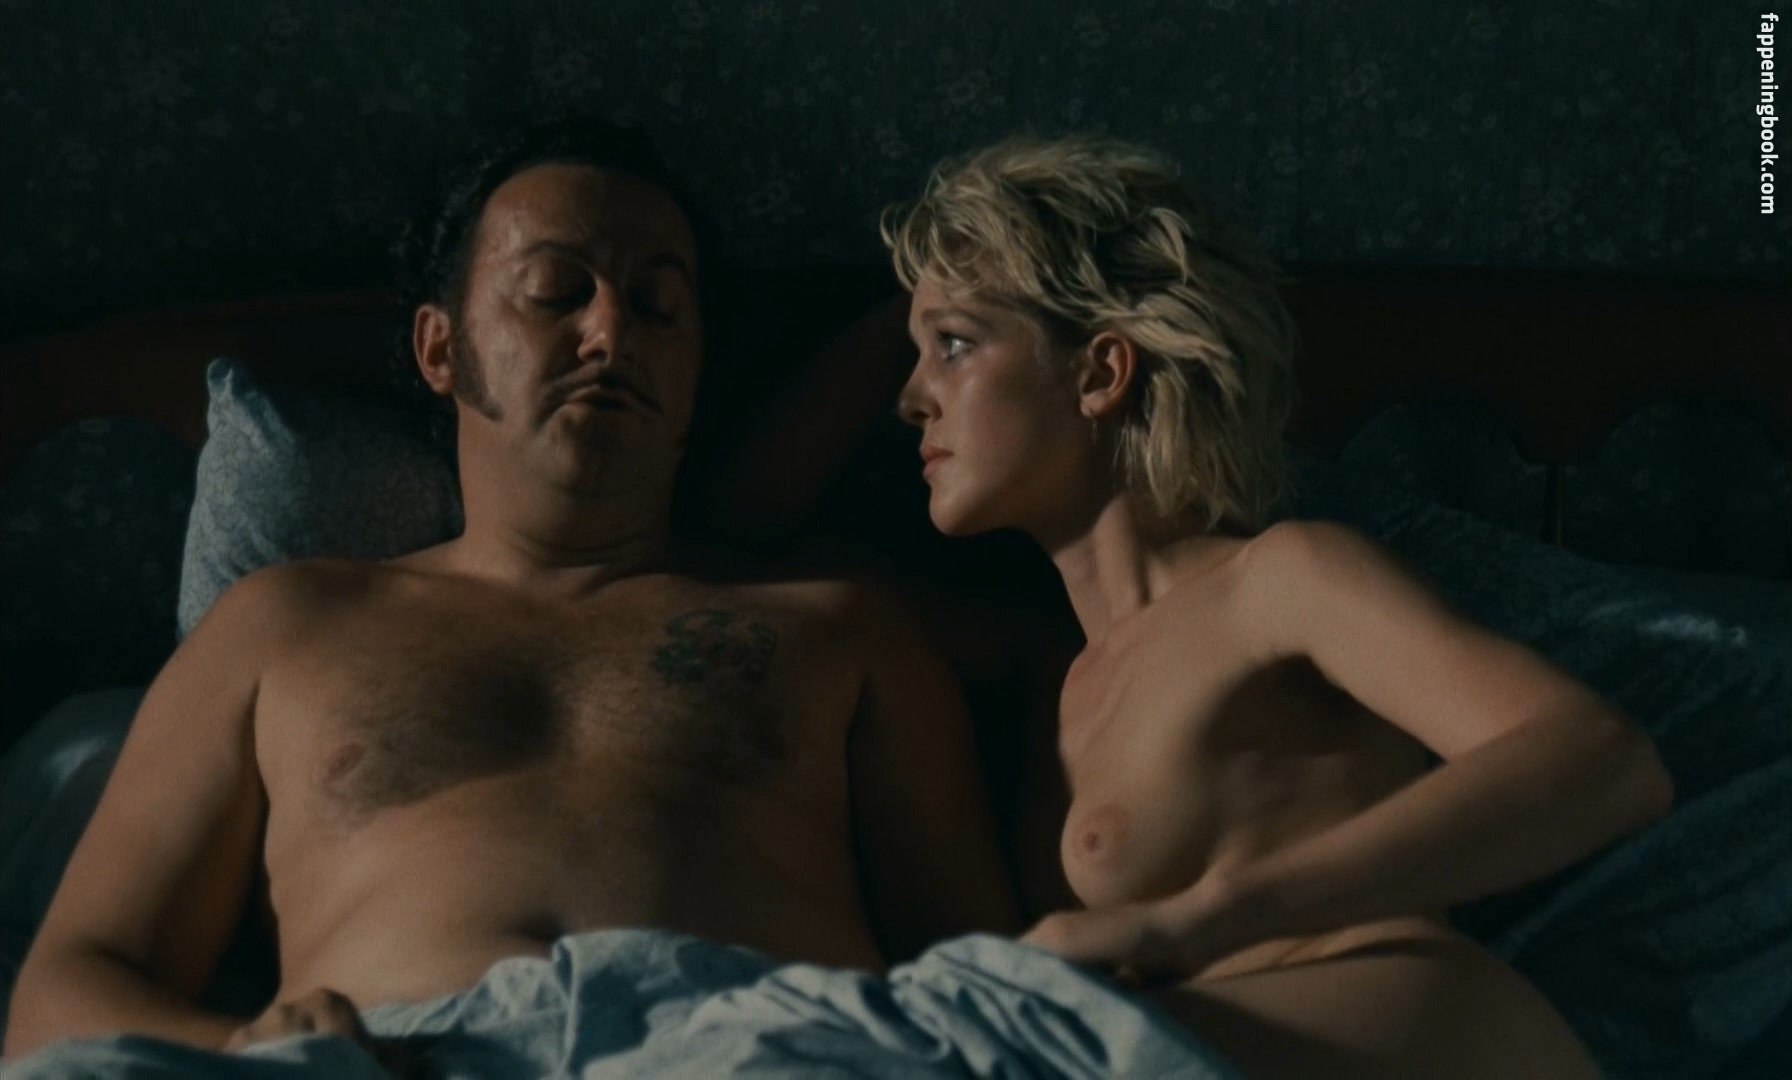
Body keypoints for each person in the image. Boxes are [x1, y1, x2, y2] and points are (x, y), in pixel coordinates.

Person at [3, 120, 1018, 1063]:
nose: (610, 332)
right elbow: (60, 998)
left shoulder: (839, 625)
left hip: (755, 1046)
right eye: (555, 291)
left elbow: (987, 986)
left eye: (659, 306)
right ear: (440, 348)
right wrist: (246, 1049)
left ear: (696, 368)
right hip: (389, 1059)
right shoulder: (280, 625)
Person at [875, 134, 1675, 1077]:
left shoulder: (1279, 580)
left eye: (953, 345)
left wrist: (1196, 920)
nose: (911, 398)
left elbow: (1603, 761)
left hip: (1422, 1032)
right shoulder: (1062, 691)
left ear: (1099, 373)